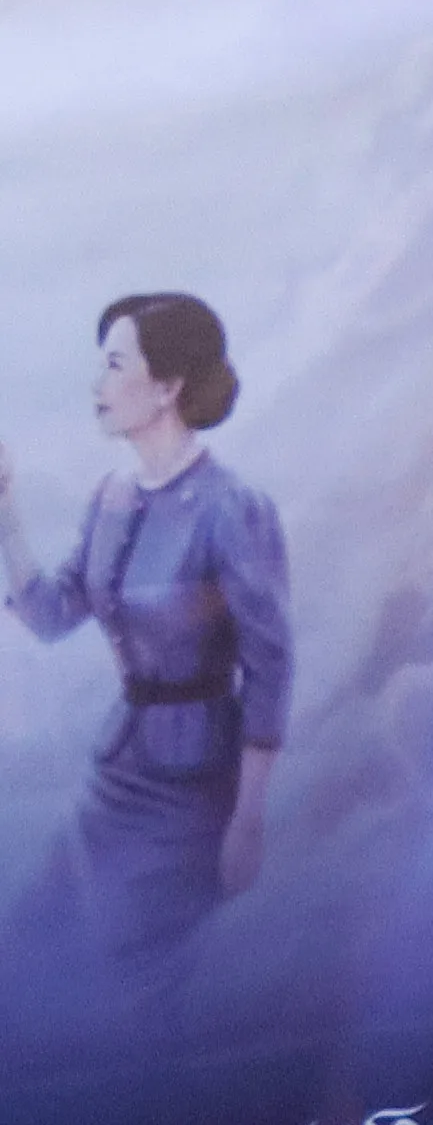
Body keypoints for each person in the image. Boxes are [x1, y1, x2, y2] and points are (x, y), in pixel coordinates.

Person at [2, 295, 289, 963]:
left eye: (113, 366)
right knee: (30, 942)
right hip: (112, 783)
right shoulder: (110, 499)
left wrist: (247, 821)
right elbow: (49, 616)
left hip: (193, 793)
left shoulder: (231, 509)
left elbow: (271, 668)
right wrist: (6, 513)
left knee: (128, 971)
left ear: (166, 386)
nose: (97, 387)